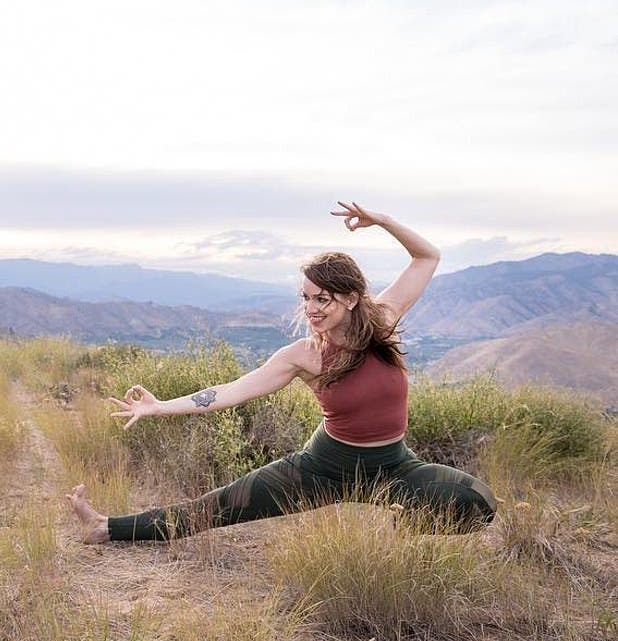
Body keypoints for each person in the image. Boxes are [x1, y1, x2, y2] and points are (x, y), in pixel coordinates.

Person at [67, 201, 497, 544]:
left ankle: (400, 532)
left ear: (350, 298)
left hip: (393, 466)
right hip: (322, 466)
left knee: (477, 502)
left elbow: (427, 256)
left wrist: (381, 220)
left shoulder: (382, 321)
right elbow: (230, 392)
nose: (311, 309)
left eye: (322, 299)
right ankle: (105, 526)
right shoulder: (303, 356)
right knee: (215, 508)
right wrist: (160, 407)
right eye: (306, 298)